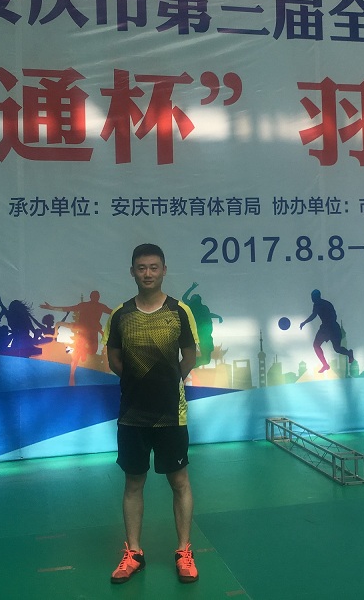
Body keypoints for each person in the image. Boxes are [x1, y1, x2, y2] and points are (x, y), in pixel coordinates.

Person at [104, 244, 200, 585]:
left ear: (163, 270)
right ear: (132, 271)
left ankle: (184, 551)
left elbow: (190, 355)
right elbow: (114, 360)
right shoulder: (120, 315)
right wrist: (139, 382)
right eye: (141, 267)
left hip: (171, 413)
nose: (148, 273)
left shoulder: (179, 311)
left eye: (154, 267)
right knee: (133, 483)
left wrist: (168, 381)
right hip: (132, 413)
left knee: (179, 481)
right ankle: (134, 553)